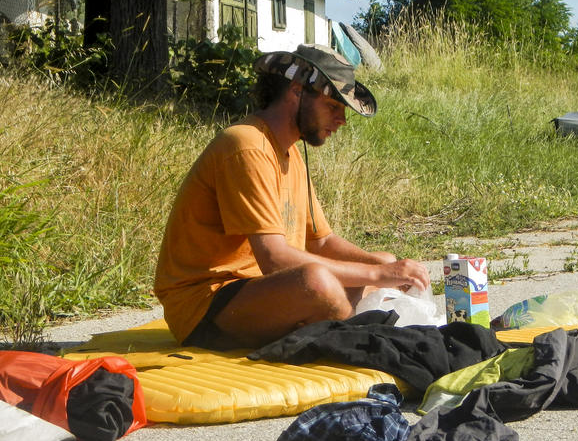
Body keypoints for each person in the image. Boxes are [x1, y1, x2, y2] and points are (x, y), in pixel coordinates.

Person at [154, 44, 430, 350]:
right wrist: (377, 275)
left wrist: (388, 268)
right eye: (333, 106)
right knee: (318, 283)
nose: (342, 120)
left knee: (384, 261)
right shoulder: (246, 144)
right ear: (297, 92)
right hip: (204, 306)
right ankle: (352, 328)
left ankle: (342, 321)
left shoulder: (290, 153)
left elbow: (321, 241)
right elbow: (274, 259)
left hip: (260, 291)